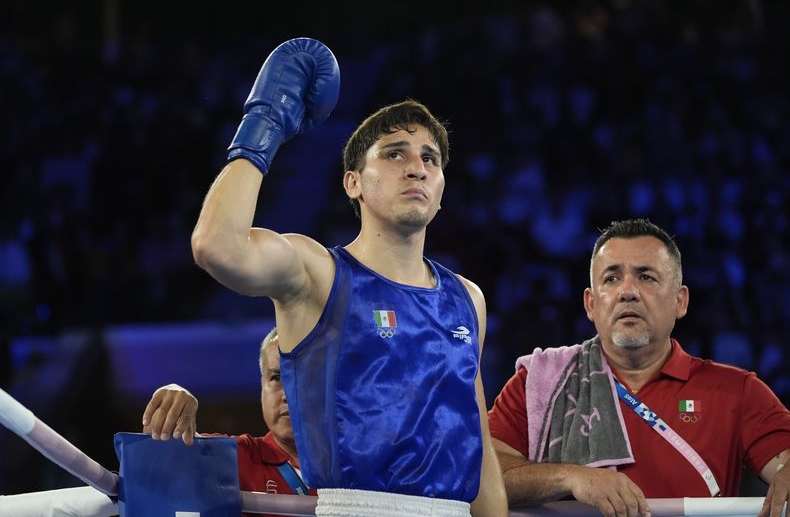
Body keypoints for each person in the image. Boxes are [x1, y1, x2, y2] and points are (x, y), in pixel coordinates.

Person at [189, 37, 507, 517]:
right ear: (353, 183)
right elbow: (216, 246)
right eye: (395, 154)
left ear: (441, 192)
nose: (417, 168)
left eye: (430, 158)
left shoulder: (468, 299)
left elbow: (476, 447)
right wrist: (264, 125)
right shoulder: (318, 273)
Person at [488, 218, 790, 517]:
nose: (627, 291)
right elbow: (483, 474)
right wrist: (572, 476)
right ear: (591, 304)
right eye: (611, 278)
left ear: (680, 301)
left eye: (646, 277)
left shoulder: (736, 390)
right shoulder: (538, 384)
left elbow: (784, 461)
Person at [142, 327, 318, 517]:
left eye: (303, 377)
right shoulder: (235, 457)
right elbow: (159, 464)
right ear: (262, 386)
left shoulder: (354, 463)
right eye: (276, 378)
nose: (287, 395)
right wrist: (170, 405)